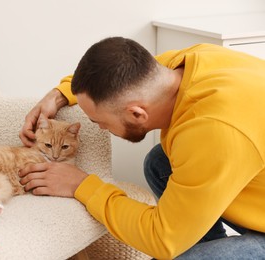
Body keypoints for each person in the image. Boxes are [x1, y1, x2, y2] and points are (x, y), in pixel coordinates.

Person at [18, 37, 265, 259]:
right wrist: (58, 95)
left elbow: (161, 239)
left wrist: (81, 185)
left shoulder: (214, 133)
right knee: (160, 163)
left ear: (137, 113)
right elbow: (116, 74)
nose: (101, 128)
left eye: (98, 121)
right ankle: (199, 239)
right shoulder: (189, 63)